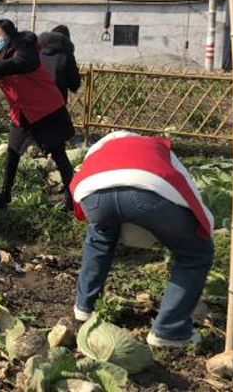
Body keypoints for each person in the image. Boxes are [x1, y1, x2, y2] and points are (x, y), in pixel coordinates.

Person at [69, 130, 215, 348]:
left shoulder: (100, 147)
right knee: (195, 254)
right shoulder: (159, 148)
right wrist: (204, 227)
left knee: (100, 237)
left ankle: (84, 306)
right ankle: (170, 330)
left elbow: (84, 174)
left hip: (93, 193)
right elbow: (186, 188)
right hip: (148, 189)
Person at [0, 19, 76, 209]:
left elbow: (18, 64)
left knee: (58, 154)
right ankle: (4, 196)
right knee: (12, 153)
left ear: (10, 35)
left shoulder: (26, 50)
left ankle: (71, 198)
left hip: (45, 111)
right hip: (22, 113)